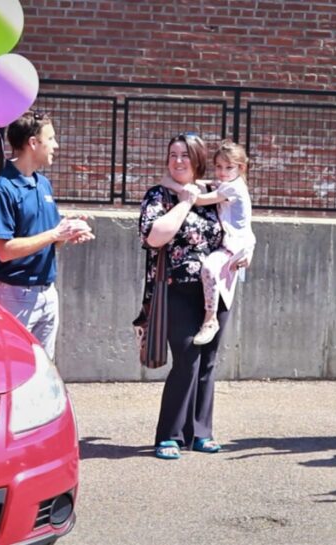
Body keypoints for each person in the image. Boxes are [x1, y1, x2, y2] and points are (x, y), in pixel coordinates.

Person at [140, 132, 245, 460]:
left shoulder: (217, 193)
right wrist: (185, 200)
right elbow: (154, 237)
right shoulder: (160, 195)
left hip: (216, 290)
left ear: (198, 159)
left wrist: (247, 252)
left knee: (208, 362)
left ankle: (200, 432)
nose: (178, 161)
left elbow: (240, 226)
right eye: (173, 154)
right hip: (177, 288)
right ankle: (169, 435)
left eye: (185, 155)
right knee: (187, 359)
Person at [0, 111, 94, 362]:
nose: (56, 145)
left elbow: (50, 239)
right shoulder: (2, 188)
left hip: (47, 292)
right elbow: (4, 249)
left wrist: (67, 232)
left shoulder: (42, 183)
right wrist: (55, 233)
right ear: (33, 143)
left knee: (43, 372)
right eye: (51, 138)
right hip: (15, 296)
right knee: (13, 369)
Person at [159, 140, 256, 345]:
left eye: (229, 167)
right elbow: (205, 185)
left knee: (209, 269)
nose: (222, 172)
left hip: (235, 244)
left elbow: (199, 199)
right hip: (233, 243)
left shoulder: (234, 188)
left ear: (241, 168)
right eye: (219, 166)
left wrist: (172, 185)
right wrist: (191, 183)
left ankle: (210, 320)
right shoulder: (228, 183)